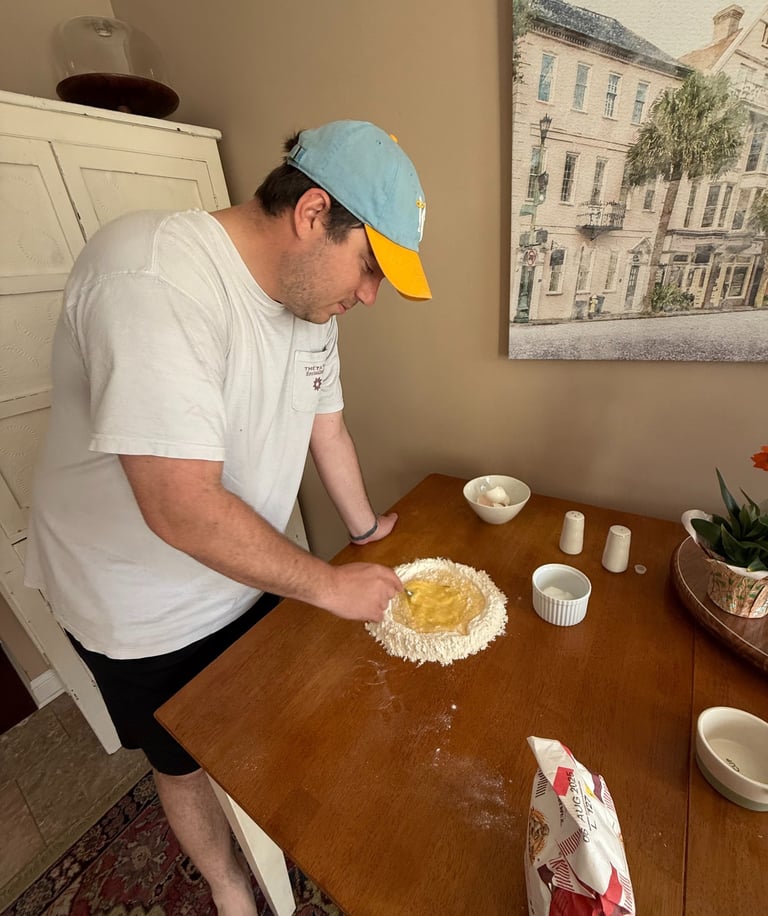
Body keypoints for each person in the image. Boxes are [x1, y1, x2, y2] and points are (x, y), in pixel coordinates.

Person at [24, 119, 431, 915]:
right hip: (136, 602)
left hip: (244, 568)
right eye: (371, 267)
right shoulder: (153, 276)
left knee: (270, 725)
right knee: (182, 761)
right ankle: (229, 885)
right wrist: (327, 586)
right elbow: (180, 505)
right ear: (314, 213)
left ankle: (272, 842)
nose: (370, 294)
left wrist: (365, 535)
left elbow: (328, 428)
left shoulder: (314, 307)